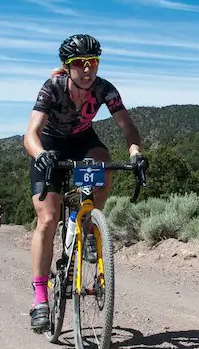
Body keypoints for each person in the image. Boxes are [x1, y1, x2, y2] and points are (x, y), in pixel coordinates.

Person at [23, 33, 146, 333]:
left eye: (93, 62)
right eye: (80, 63)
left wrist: (136, 153)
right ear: (67, 66)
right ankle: (40, 298)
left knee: (103, 164)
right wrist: (40, 155)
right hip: (50, 145)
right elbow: (30, 134)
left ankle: (89, 222)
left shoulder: (105, 89)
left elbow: (127, 126)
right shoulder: (52, 88)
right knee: (48, 218)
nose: (88, 69)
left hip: (82, 142)